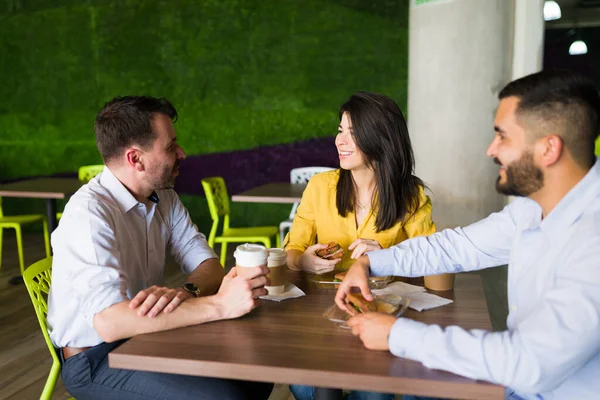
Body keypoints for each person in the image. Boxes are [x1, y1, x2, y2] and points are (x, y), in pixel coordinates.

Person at [336, 70, 600, 400]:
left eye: (502, 136)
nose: (491, 150)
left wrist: (398, 334)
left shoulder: (594, 240)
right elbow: (457, 247)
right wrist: (369, 263)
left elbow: (529, 361)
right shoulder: (532, 207)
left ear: (549, 149)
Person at [47, 96, 273, 400]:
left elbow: (210, 266)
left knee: (256, 373)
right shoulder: (88, 214)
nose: (182, 153)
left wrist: (186, 292)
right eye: (170, 147)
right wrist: (220, 305)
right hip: (95, 358)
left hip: (146, 335)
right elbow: (111, 323)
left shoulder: (163, 196)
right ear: (135, 159)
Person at [286, 92, 436, 400]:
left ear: (381, 139)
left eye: (352, 133)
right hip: (325, 315)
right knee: (303, 387)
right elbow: (291, 251)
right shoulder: (319, 187)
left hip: (384, 312)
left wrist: (388, 258)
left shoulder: (412, 195)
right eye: (340, 130)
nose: (340, 141)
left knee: (376, 392)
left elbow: (434, 266)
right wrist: (303, 262)